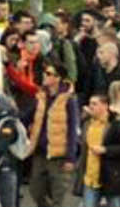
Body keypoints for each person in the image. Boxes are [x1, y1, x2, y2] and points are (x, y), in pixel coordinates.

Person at [27, 60, 79, 207]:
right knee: (35, 190)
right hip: (40, 152)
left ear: (58, 78)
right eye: (45, 73)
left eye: (49, 73)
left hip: (59, 155)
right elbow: (26, 116)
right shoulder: (41, 96)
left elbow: (72, 129)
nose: (45, 75)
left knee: (58, 196)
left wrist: (71, 157)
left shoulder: (69, 100)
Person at [74, 94, 120, 207]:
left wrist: (106, 150)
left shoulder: (117, 126)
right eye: (90, 104)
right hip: (91, 177)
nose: (90, 107)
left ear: (105, 106)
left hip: (112, 177)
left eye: (94, 104)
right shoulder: (87, 124)